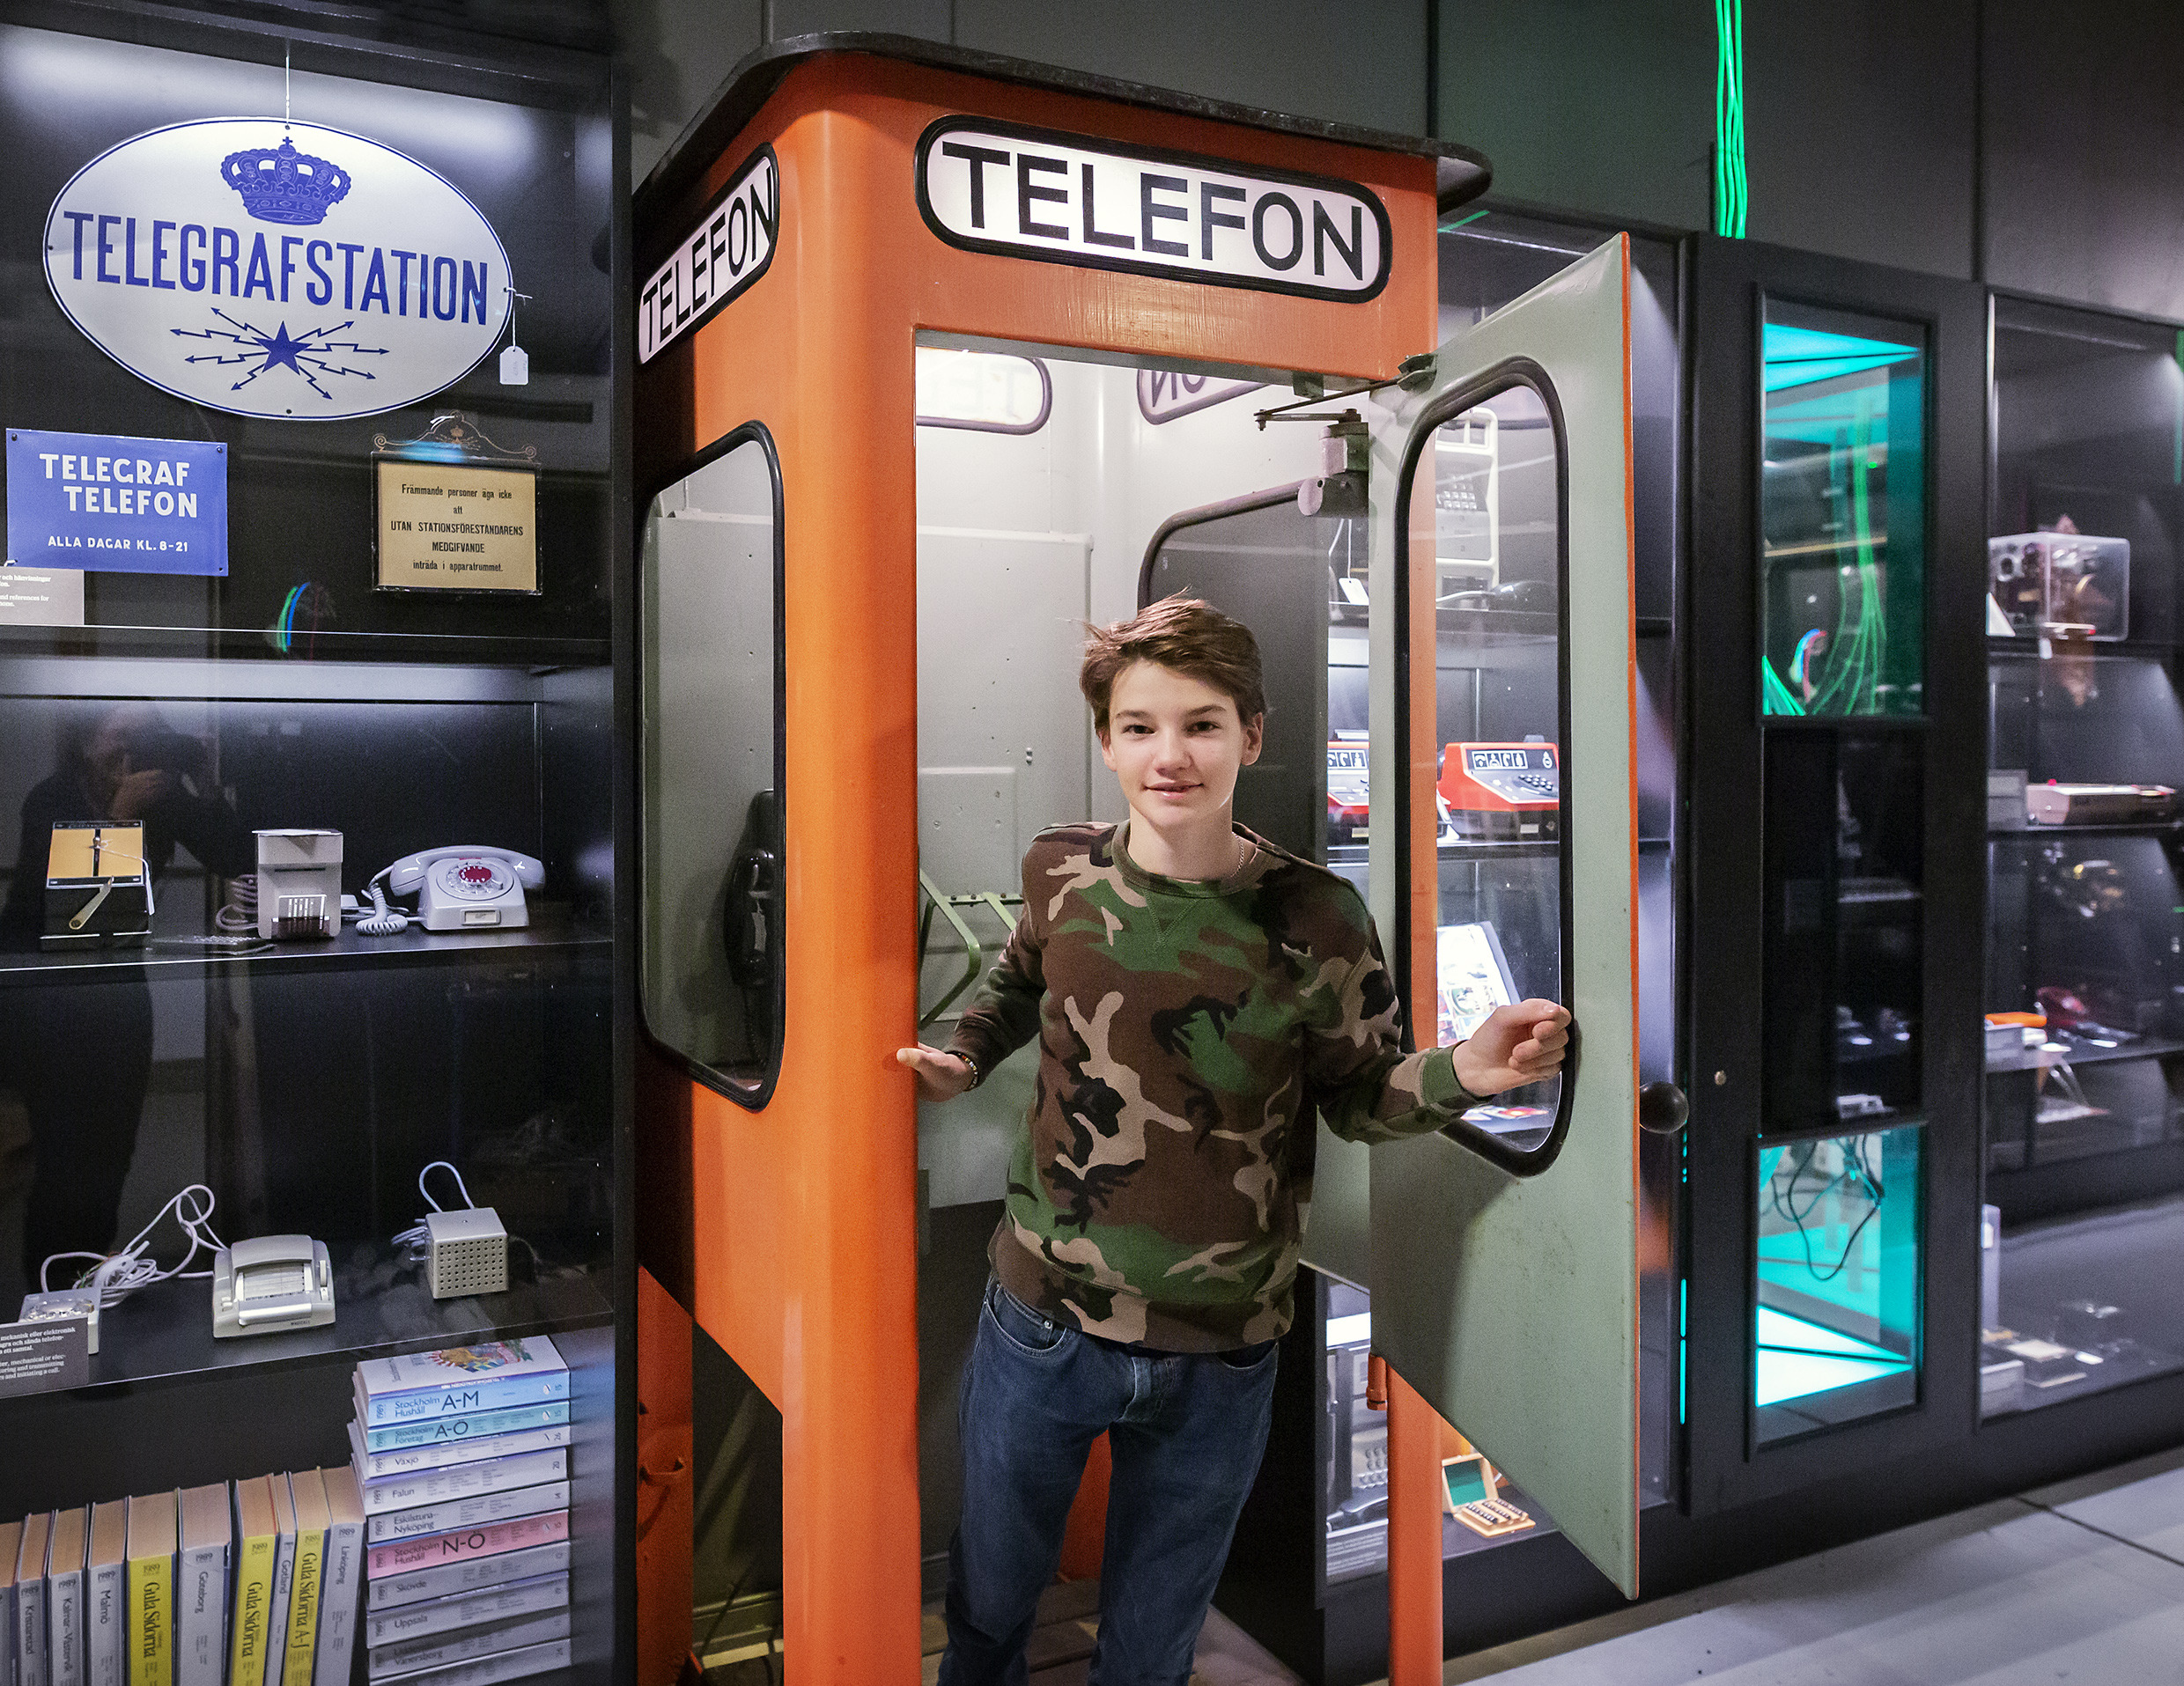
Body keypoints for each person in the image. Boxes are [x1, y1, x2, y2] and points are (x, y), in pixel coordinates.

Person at [897, 597, 1571, 1685]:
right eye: (1139, 726)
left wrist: (1466, 1073)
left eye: (1201, 724)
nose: (1170, 755)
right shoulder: (1057, 871)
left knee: (1153, 1652)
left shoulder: (1315, 916)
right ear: (1106, 738)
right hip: (1041, 1324)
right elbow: (1020, 981)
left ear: (1250, 736)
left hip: (1224, 1350)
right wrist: (966, 1056)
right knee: (984, 1616)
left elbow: (1356, 1094)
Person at [0, 703, 251, 1287]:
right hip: (48, 998)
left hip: (118, 990)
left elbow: (236, 856)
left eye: (146, 738)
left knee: (111, 1158)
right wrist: (118, 817)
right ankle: (55, 1308)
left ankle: (89, 1284)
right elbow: (81, 923)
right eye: (121, 739)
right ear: (87, 742)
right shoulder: (51, 800)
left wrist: (207, 785)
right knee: (67, 1165)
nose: (133, 752)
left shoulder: (155, 792)